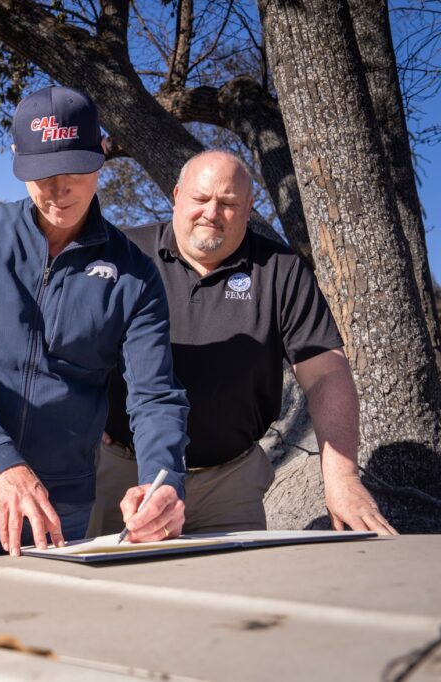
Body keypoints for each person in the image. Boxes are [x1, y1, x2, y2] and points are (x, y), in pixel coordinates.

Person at [0, 85, 189, 576]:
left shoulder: (135, 273)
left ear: (101, 157)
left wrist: (163, 480)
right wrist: (0, 462)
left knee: (40, 649)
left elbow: (154, 395)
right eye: (41, 172)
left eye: (75, 169)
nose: (58, 188)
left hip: (61, 511)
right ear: (19, 162)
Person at [91, 150, 398, 536]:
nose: (212, 212)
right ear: (177, 195)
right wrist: (82, 407)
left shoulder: (281, 271)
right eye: (201, 199)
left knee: (238, 588)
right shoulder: (126, 255)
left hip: (229, 482)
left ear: (250, 207)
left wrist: (343, 480)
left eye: (229, 203)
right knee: (114, 590)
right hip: (126, 475)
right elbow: (63, 341)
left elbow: (325, 374)